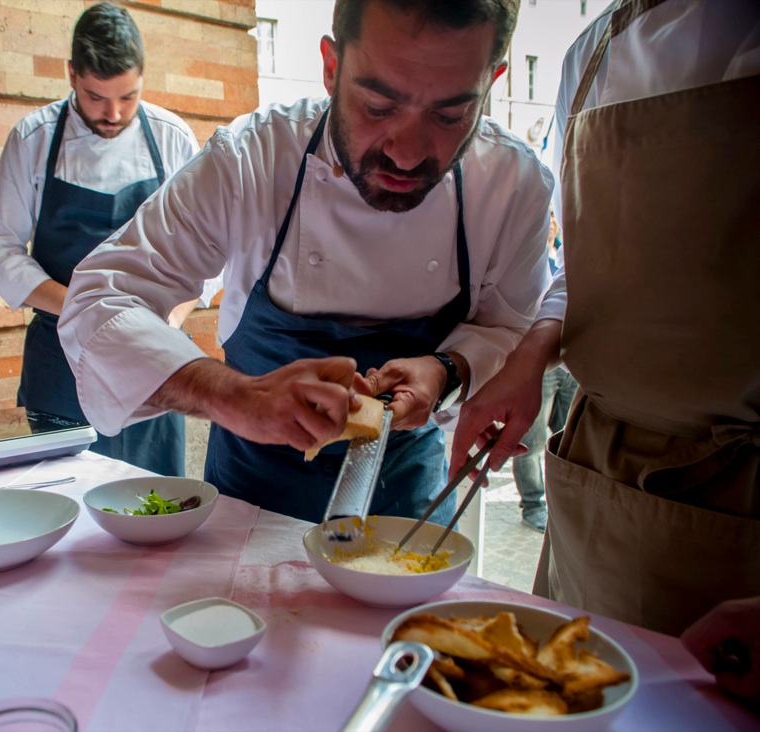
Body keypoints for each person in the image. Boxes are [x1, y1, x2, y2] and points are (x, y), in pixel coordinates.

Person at [58, 0, 554, 524]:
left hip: (406, 507)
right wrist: (232, 395)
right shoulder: (253, 157)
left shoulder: (512, 183)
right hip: (249, 502)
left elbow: (512, 327)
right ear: (332, 67)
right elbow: (98, 301)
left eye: (450, 115)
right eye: (378, 106)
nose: (407, 154)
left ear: (491, 83)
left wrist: (448, 369)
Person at [450, 0, 759, 673]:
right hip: (597, 468)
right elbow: (590, 266)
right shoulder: (590, 54)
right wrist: (530, 356)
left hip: (740, 490)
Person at [0, 2, 202, 477]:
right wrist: (84, 309)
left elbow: (208, 250)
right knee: (57, 493)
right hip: (59, 359)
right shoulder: (33, 139)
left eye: (128, 96)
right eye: (96, 97)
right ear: (72, 75)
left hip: (152, 357)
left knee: (152, 498)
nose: (113, 113)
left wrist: (171, 319)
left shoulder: (173, 138)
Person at [511, 211, 576, 532]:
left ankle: (561, 506)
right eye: (546, 215)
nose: (550, 222)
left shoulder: (566, 255)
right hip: (540, 364)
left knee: (567, 436)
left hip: (571, 364)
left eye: (554, 216)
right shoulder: (528, 258)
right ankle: (532, 503)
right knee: (532, 440)